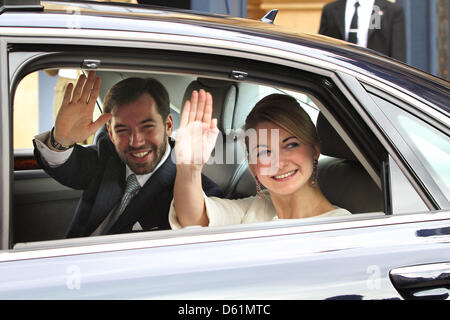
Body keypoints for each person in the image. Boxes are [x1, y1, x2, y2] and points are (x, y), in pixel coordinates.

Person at [33, 71, 223, 238]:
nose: (136, 141)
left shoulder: (196, 192)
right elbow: (69, 166)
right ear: (110, 130)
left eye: (147, 127)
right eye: (122, 130)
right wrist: (62, 140)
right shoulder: (107, 154)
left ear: (168, 126)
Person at [169, 92, 351, 229]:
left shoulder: (343, 228)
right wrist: (188, 169)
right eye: (264, 152)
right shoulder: (256, 208)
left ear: (315, 150)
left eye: (291, 145)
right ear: (253, 166)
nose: (278, 163)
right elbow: (193, 219)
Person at [318, 0, 406, 62]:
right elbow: (322, 50)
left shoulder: (392, 11)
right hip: (339, 77)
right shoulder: (330, 10)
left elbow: (398, 56)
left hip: (375, 79)